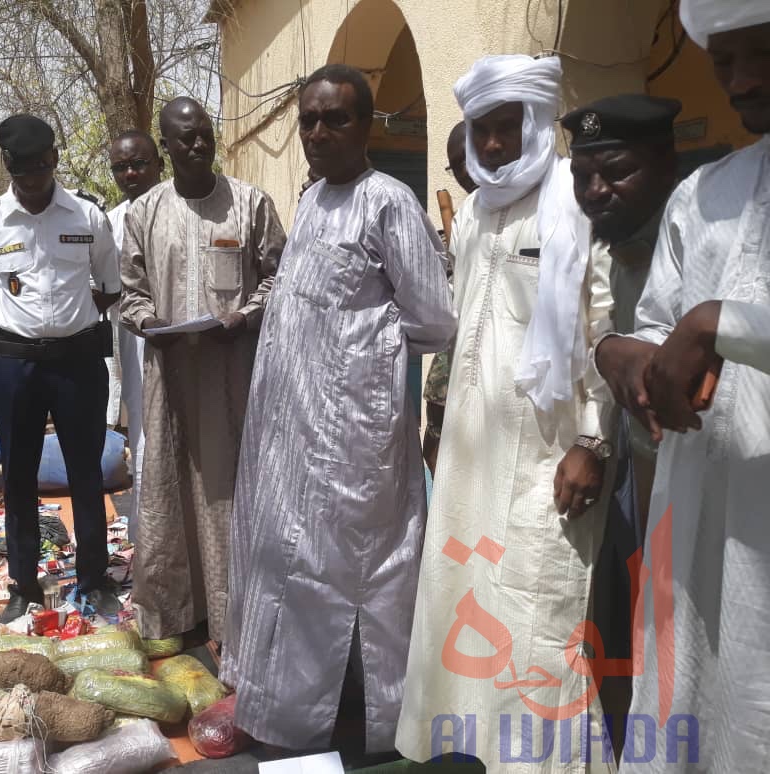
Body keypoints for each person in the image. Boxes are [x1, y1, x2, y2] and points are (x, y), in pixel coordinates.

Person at [220, 64, 455, 754]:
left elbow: (435, 321)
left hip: (353, 428)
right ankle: (294, 713)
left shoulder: (390, 202)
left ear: (367, 126)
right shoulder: (314, 196)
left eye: (335, 119)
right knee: (289, 563)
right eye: (309, 121)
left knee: (354, 570)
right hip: (291, 423)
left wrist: (357, 350)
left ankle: (378, 722)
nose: (318, 133)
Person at [395, 55, 618, 769]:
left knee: (538, 619)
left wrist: (595, 439)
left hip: (551, 459)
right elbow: (458, 330)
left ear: (539, 121)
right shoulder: (476, 216)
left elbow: (605, 329)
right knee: (465, 604)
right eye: (481, 129)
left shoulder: (578, 203)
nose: (492, 145)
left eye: (506, 127)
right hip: (470, 454)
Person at [596, 5, 770, 771]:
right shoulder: (704, 189)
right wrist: (620, 353)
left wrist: (726, 322)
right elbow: (658, 321)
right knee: (684, 702)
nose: (743, 79)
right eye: (725, 61)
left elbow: (706, 323)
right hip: (689, 527)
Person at [120, 96, 286, 645]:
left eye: (204, 134)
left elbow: (278, 275)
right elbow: (131, 293)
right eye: (183, 138)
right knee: (168, 489)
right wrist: (151, 322)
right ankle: (176, 613)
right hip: (170, 374)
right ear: (164, 148)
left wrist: (244, 316)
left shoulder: (249, 203)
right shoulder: (145, 212)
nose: (196, 144)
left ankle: (235, 620)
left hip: (232, 372)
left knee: (227, 492)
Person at [0, 114, 122, 622]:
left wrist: (72, 316)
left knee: (86, 473)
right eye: (21, 172)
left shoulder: (87, 215)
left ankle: (94, 579)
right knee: (20, 476)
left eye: (40, 168)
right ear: (7, 167)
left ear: (54, 159)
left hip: (78, 363)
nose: (32, 181)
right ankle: (23, 584)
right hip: (16, 365)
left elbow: (111, 285)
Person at [563, 93, 681, 758]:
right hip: (633, 479)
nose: (597, 190)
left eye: (617, 172)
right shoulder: (612, 246)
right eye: (584, 177)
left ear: (667, 162)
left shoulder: (696, 242)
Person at [107, 130, 164, 532]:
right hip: (135, 343)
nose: (130, 173)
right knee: (144, 437)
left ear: (159, 164)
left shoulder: (183, 209)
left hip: (192, 343)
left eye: (139, 164)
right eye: (121, 167)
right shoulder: (108, 222)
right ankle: (147, 532)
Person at [423, 120, 477, 474]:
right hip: (452, 363)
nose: (463, 172)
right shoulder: (466, 218)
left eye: (466, 160)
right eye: (454, 165)